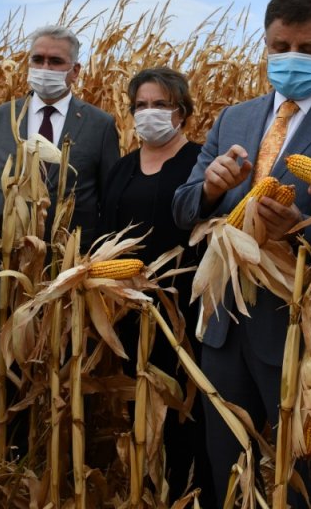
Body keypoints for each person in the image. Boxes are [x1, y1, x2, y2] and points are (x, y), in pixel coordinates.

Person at [172, 0, 311, 506]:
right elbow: (183, 209)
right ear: (265, 45)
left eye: (307, 48)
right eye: (280, 45)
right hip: (225, 326)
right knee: (228, 466)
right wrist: (208, 188)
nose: (290, 56)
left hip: (304, 336)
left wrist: (302, 227)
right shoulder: (234, 119)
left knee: (306, 482)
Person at [0, 25, 119, 342]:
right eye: (38, 59)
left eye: (55, 62)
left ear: (75, 71)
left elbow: (110, 197)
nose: (45, 68)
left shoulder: (100, 124)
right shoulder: (0, 118)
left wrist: (96, 256)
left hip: (69, 262)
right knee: (7, 353)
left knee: (63, 353)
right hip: (7, 261)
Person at [98, 66, 211, 498]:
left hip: (184, 309)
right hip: (129, 305)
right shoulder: (123, 168)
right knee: (140, 402)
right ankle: (148, 489)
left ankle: (188, 491)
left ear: (181, 112)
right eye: (141, 106)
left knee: (184, 409)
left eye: (160, 105)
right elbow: (107, 232)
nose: (149, 114)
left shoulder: (200, 162)